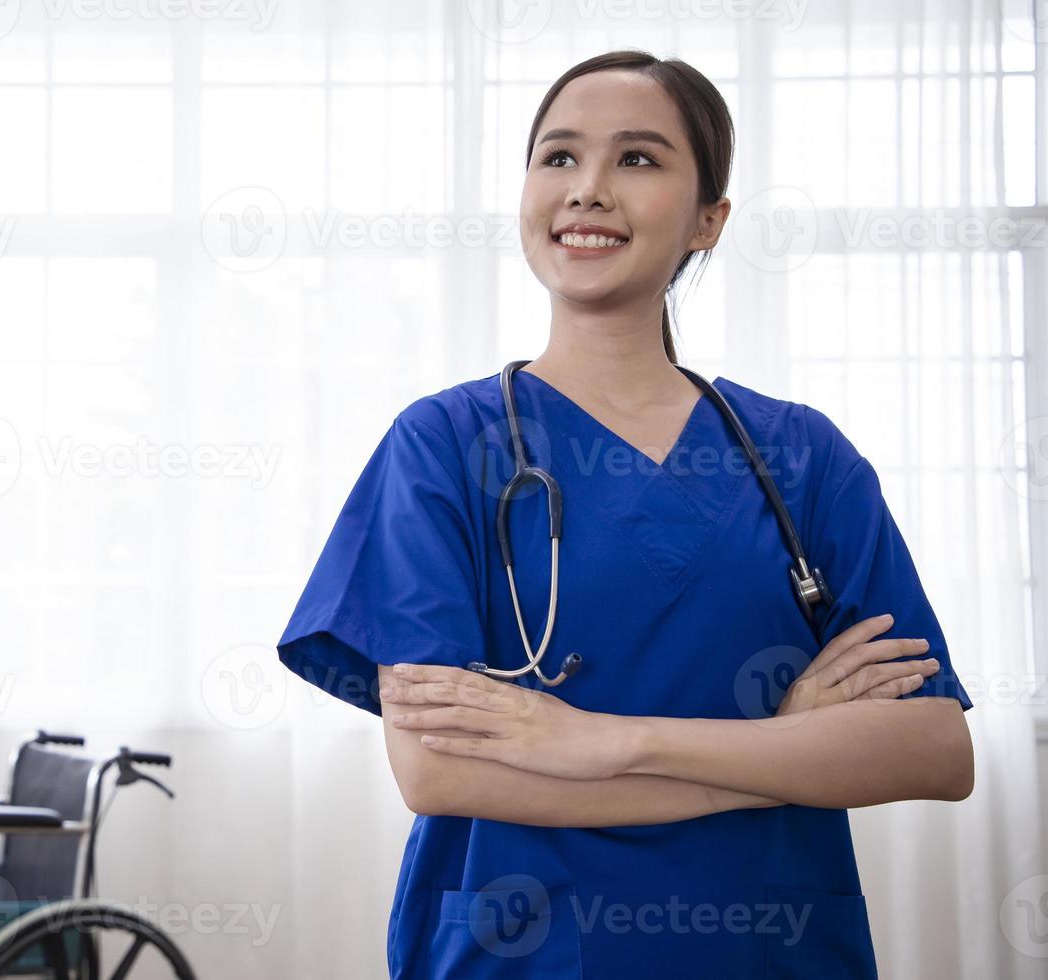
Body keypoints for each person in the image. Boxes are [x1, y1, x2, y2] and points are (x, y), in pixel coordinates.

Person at [275, 49, 974, 978]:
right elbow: (439, 771)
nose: (588, 190)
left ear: (709, 221)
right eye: (558, 158)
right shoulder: (444, 446)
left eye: (638, 160)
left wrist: (600, 742)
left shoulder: (801, 458)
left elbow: (932, 748)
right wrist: (783, 753)